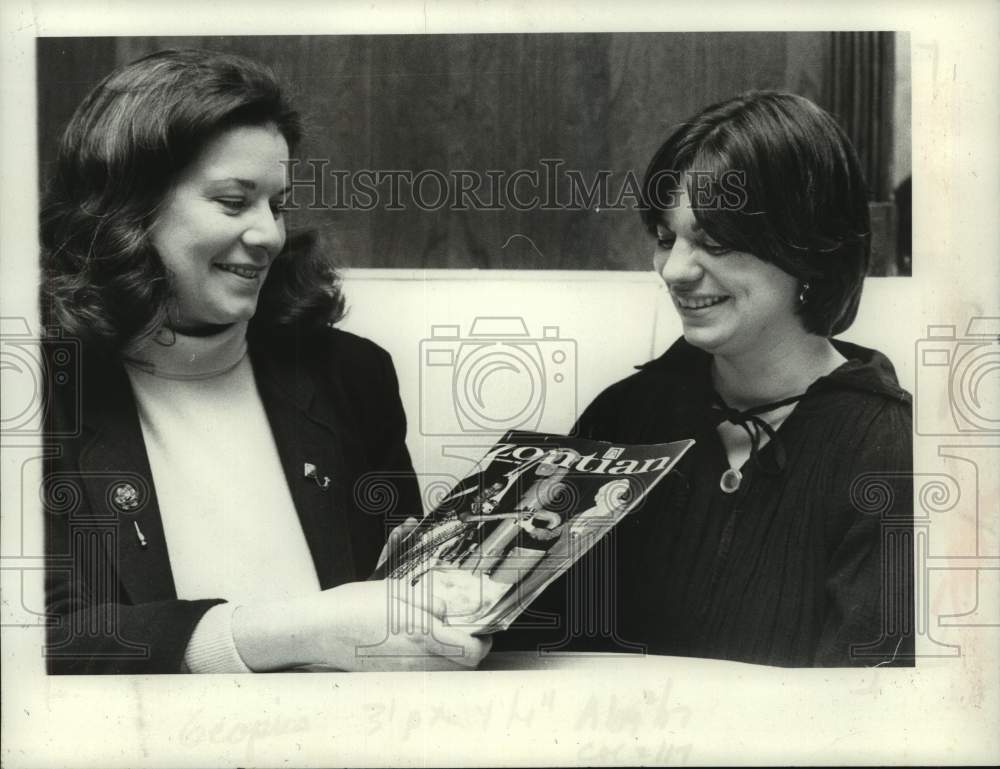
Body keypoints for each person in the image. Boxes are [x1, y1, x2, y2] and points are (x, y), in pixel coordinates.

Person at [40, 49, 490, 674]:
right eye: (233, 202)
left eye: (276, 205)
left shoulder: (350, 376)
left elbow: (396, 589)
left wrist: (455, 594)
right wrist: (296, 632)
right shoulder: (36, 391)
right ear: (127, 209)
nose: (269, 235)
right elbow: (39, 638)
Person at [496, 91, 914, 667]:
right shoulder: (623, 418)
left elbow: (873, 711)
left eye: (714, 242)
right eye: (666, 238)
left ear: (809, 249)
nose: (675, 271)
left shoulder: (889, 447)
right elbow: (536, 644)